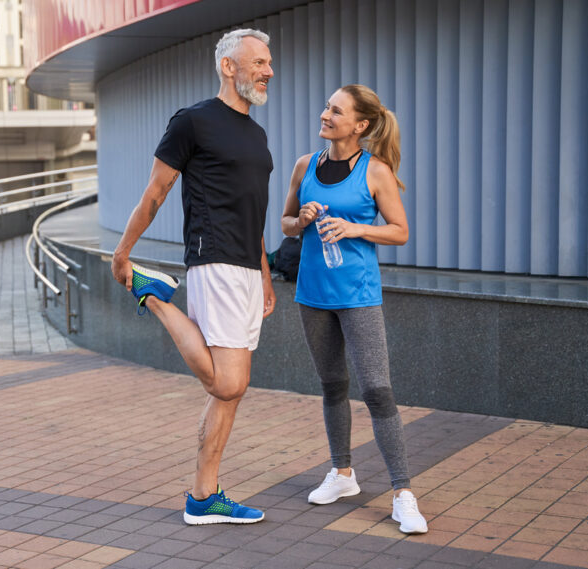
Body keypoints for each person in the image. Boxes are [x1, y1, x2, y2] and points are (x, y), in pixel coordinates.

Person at [111, 28, 276, 525]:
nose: (268, 70)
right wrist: (124, 254)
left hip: (247, 265)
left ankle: (204, 496)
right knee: (228, 382)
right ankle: (155, 296)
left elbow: (255, 211)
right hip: (214, 259)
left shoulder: (256, 133)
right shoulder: (193, 121)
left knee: (232, 390)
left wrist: (265, 274)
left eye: (270, 62)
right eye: (259, 62)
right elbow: (155, 191)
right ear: (229, 66)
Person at [280, 84, 428, 534]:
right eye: (326, 105)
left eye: (335, 110)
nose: (325, 114)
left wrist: (355, 228)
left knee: (378, 390)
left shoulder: (375, 170)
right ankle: (342, 474)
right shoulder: (305, 165)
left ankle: (403, 493)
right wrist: (301, 220)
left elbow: (400, 231)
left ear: (360, 124)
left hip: (358, 295)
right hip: (313, 294)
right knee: (332, 385)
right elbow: (285, 224)